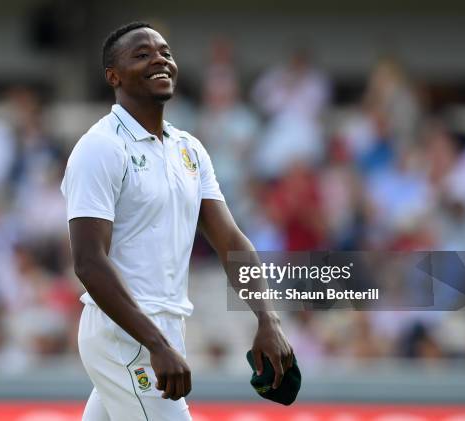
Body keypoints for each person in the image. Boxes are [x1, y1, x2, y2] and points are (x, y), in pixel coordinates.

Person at [60, 22, 293, 421]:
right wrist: (157, 344)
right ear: (112, 76)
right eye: (142, 54)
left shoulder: (190, 149)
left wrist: (266, 317)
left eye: (165, 52)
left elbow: (231, 241)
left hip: (165, 328)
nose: (159, 60)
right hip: (125, 334)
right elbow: (88, 262)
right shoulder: (99, 148)